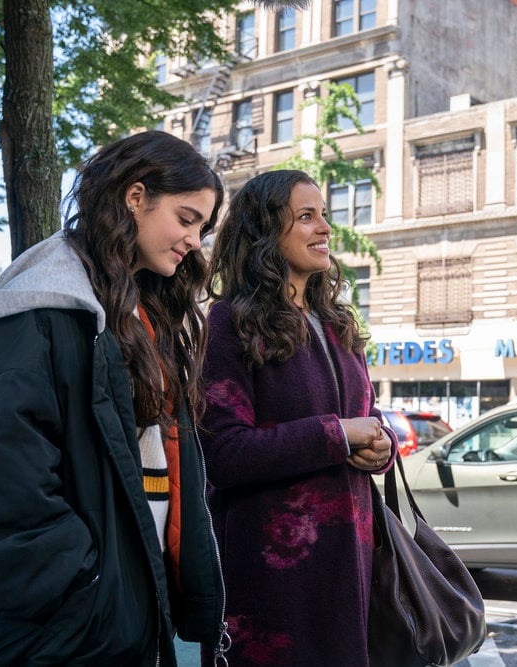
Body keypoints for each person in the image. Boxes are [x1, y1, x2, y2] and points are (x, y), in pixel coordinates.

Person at [0, 131, 229, 665]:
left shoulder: (141, 315)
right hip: (64, 635)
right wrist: (88, 588)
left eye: (203, 227)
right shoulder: (44, 313)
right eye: (187, 218)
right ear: (135, 197)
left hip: (117, 623)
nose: (195, 240)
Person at [199, 169, 395, 666]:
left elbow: (365, 415)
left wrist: (379, 445)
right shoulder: (228, 323)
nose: (325, 228)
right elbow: (223, 453)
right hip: (273, 585)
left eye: (323, 215)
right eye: (306, 217)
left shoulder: (338, 324)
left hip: (351, 571)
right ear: (265, 233)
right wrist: (337, 435)